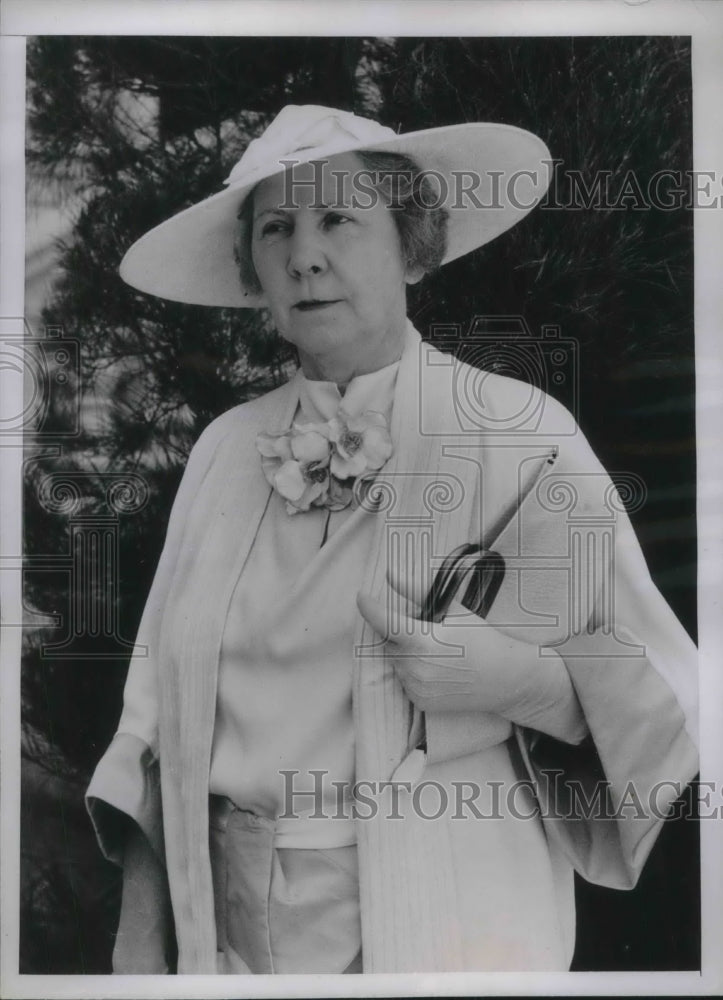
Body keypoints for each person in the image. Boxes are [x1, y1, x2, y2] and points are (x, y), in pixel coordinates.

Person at [86, 104, 698, 975]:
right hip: (228, 930)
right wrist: (139, 948)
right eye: (275, 229)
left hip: (454, 916)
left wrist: (525, 683)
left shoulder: (516, 430)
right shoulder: (224, 449)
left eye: (338, 218)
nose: (304, 255)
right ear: (252, 269)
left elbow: (672, 694)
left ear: (412, 247)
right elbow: (152, 724)